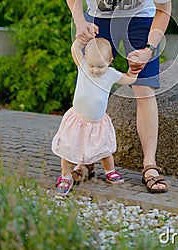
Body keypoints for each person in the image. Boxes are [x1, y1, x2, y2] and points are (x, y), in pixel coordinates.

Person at [64, 0, 172, 193]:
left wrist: (148, 48)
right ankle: (84, 162)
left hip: (141, 19)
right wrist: (80, 24)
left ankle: (149, 165)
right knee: (91, 82)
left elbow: (164, 10)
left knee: (144, 89)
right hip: (99, 18)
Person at [52, 37, 138, 197]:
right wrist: (80, 40)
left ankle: (110, 171)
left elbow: (129, 79)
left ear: (110, 61)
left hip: (98, 122)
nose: (95, 70)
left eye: (100, 66)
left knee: (104, 150)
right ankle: (65, 177)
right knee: (68, 149)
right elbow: (75, 50)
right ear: (86, 59)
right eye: (92, 65)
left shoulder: (111, 74)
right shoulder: (83, 66)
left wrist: (134, 70)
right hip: (77, 120)